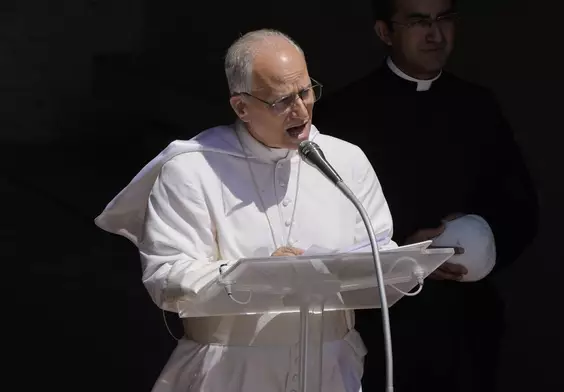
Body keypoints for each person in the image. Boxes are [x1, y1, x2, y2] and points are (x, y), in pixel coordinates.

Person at [95, 29, 396, 392]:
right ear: (241, 106)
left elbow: (380, 254)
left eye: (305, 91)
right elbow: (167, 277)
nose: (300, 109)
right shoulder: (192, 169)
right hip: (229, 371)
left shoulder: (346, 161)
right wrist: (260, 275)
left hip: (328, 370)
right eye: (281, 100)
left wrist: (405, 266)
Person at [314, 0, 540, 391]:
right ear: (385, 32)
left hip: (466, 323)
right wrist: (403, 253)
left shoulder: (478, 106)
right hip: (382, 323)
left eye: (443, 19)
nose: (435, 34)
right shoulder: (342, 114)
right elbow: (320, 226)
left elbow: (518, 205)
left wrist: (479, 236)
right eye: (419, 22)